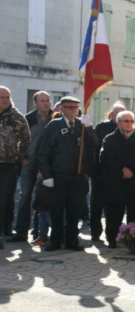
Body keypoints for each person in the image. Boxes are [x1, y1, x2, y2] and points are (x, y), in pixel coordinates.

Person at [36, 96, 96, 251]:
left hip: (77, 177)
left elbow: (93, 145)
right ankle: (55, 240)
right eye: (69, 107)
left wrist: (89, 128)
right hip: (58, 176)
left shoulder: (81, 126)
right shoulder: (54, 126)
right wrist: (47, 175)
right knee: (56, 211)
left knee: (74, 211)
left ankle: (72, 241)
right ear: (61, 108)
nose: (73, 110)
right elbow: (43, 153)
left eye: (75, 107)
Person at [100, 111, 135, 249]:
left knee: (134, 214)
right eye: (126, 121)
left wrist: (132, 170)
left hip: (134, 184)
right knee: (114, 214)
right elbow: (105, 160)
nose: (129, 124)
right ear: (118, 122)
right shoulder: (109, 139)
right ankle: (112, 239)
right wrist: (122, 169)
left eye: (131, 121)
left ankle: (132, 240)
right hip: (115, 183)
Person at [7, 91, 52, 243]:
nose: (46, 103)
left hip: (48, 162)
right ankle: (21, 232)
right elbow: (17, 139)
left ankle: (44, 234)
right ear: (35, 103)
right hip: (30, 161)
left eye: (48, 100)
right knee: (25, 196)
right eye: (42, 101)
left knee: (46, 198)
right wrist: (21, 157)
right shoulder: (27, 119)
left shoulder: (55, 118)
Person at [90, 101, 126, 243]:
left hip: (117, 173)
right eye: (118, 113)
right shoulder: (102, 127)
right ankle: (95, 232)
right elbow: (95, 147)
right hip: (100, 172)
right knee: (97, 203)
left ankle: (113, 233)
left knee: (114, 205)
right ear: (112, 114)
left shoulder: (127, 130)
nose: (121, 117)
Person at [0, 87, 30, 248]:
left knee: (3, 199)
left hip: (7, 164)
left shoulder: (17, 117)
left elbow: (25, 139)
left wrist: (19, 158)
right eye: (2, 97)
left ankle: (5, 228)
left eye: (7, 97)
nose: (5, 100)